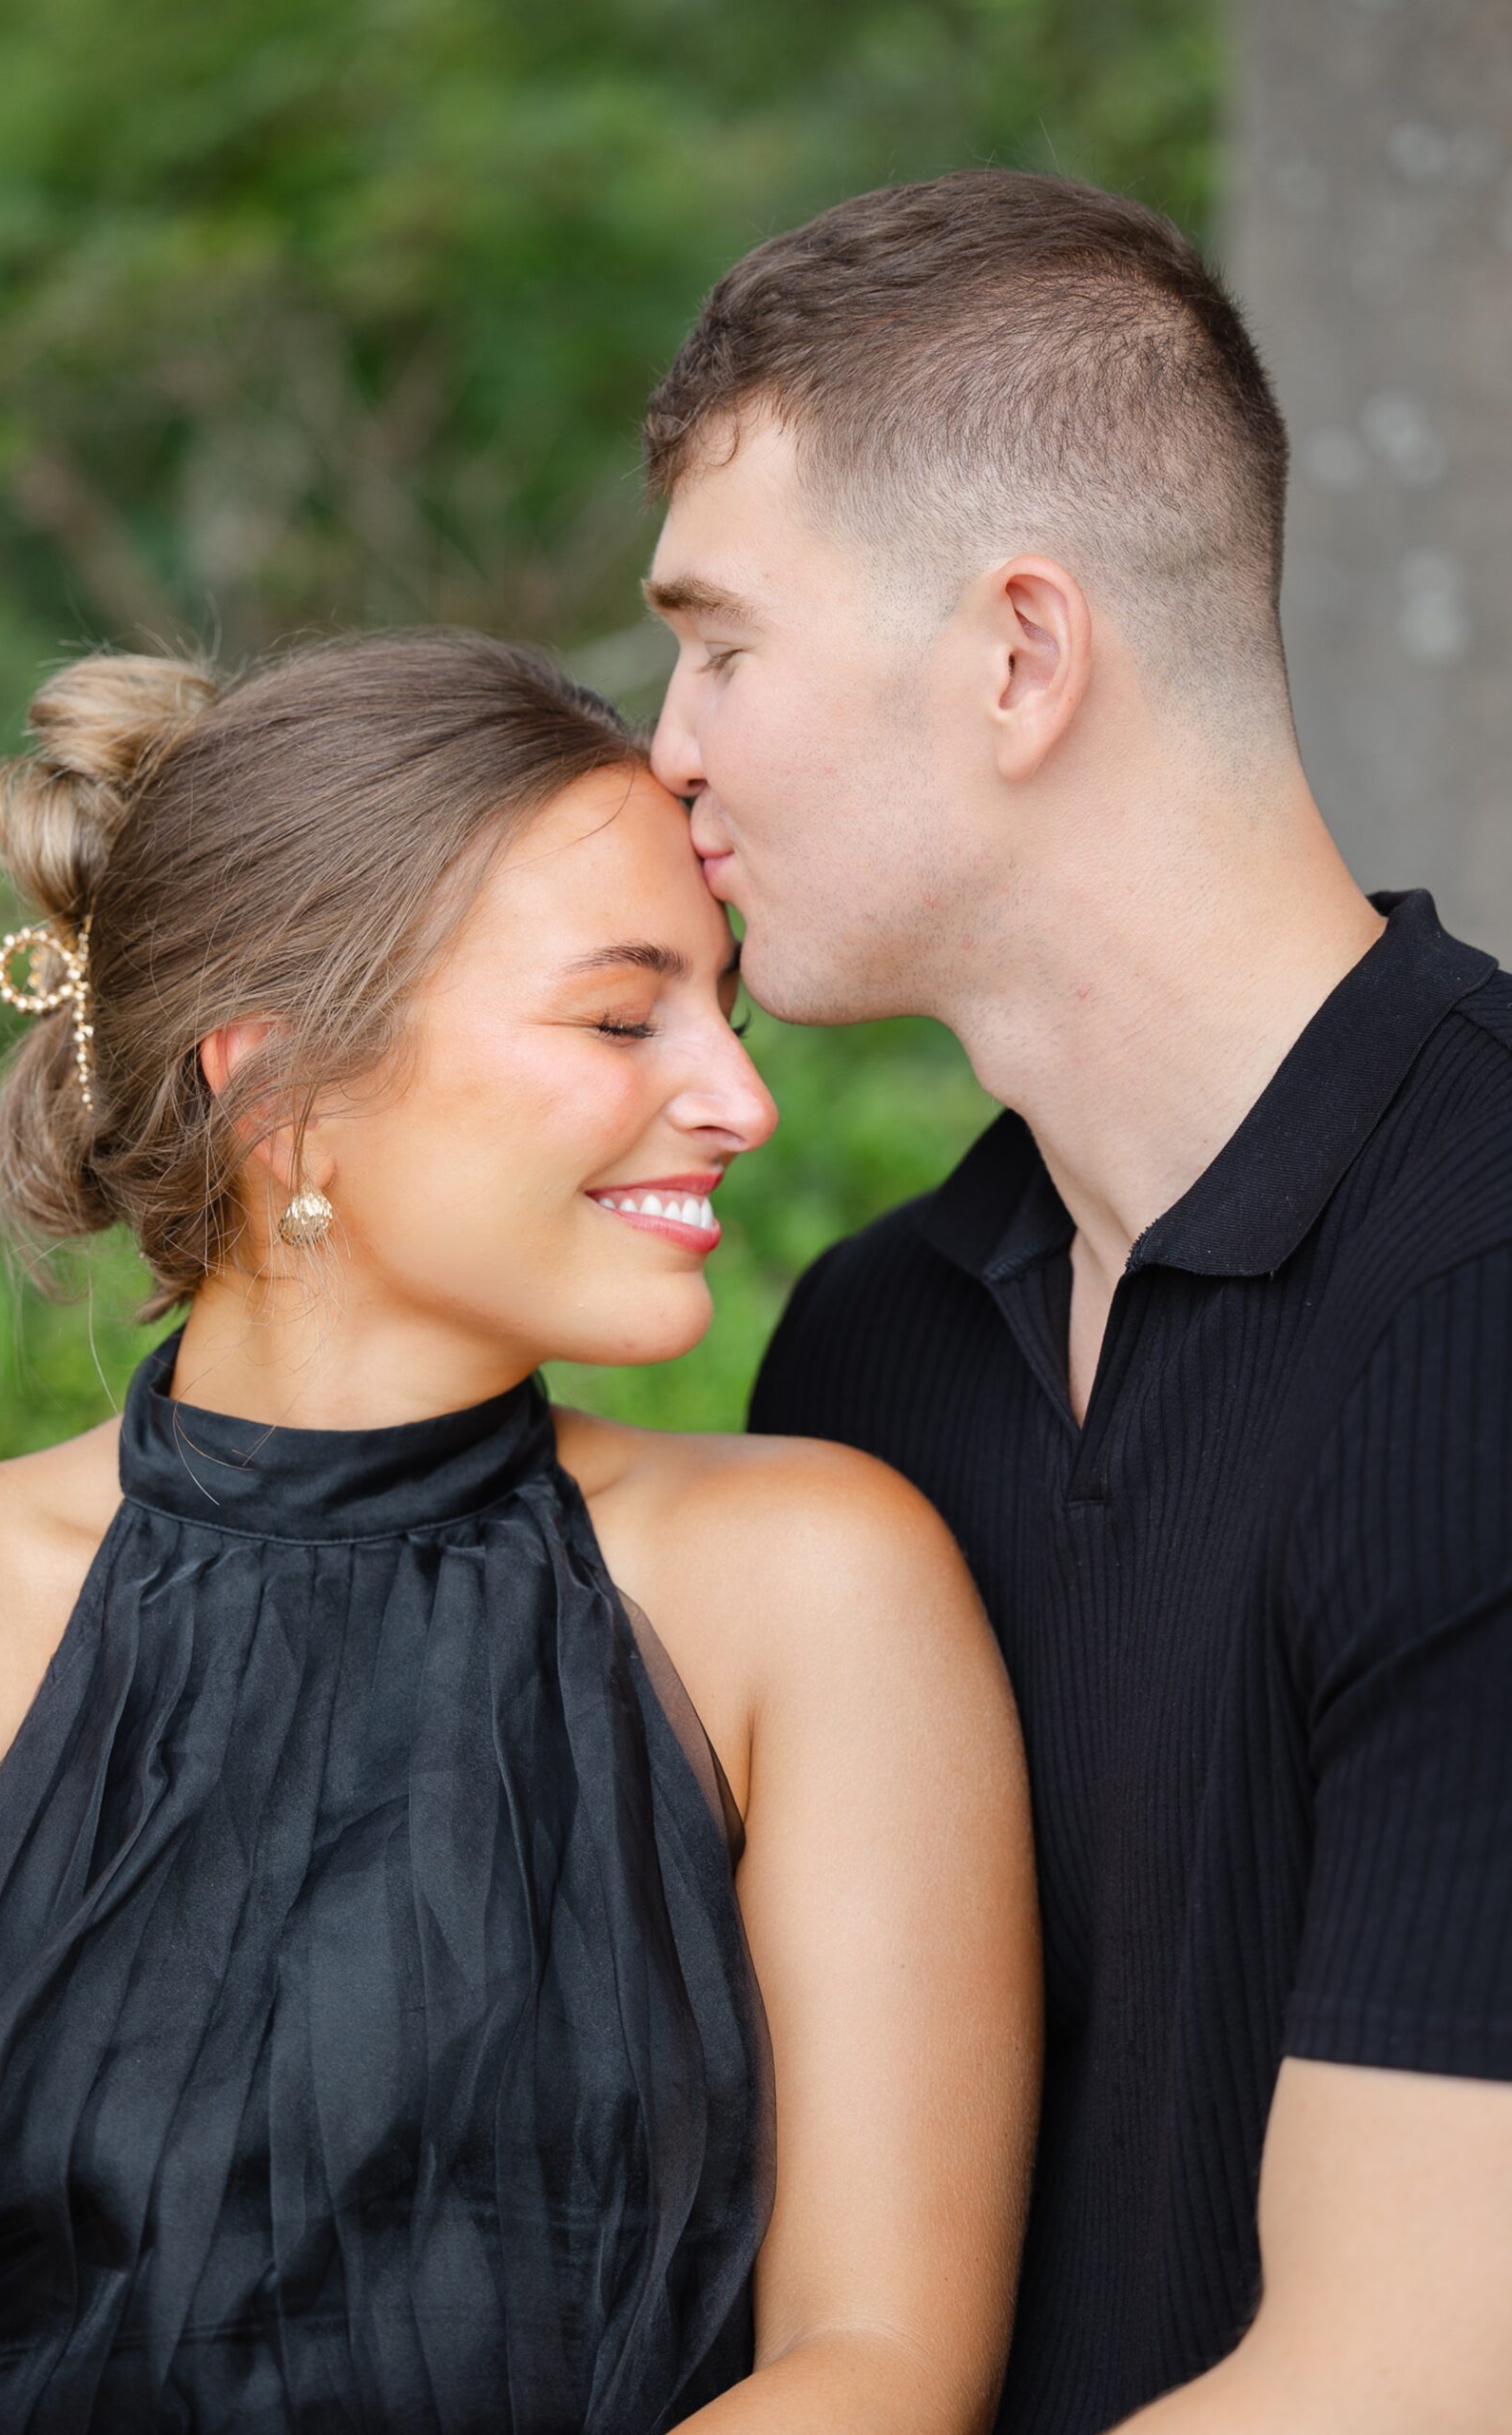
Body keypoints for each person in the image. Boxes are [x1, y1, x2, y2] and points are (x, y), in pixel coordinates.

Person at [0, 633, 1039, 2433]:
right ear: (279, 1090)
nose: (742, 1102)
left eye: (720, 1012)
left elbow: (877, 2360)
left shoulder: (813, 1583)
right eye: (619, 1014)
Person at [642, 167, 1512, 2435]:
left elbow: (1407, 2374)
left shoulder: (1488, 1288)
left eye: (719, 642)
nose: (668, 748)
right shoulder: (874, 1347)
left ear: (1019, 657)